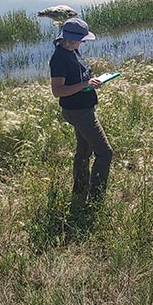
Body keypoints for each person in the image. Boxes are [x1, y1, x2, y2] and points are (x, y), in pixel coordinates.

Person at [49, 17, 113, 207]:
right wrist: (85, 84)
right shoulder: (59, 58)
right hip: (78, 112)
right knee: (105, 152)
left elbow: (81, 76)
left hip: (84, 108)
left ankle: (80, 189)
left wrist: (92, 80)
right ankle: (96, 196)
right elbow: (57, 91)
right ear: (70, 39)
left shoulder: (73, 51)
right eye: (81, 39)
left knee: (84, 149)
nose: (82, 42)